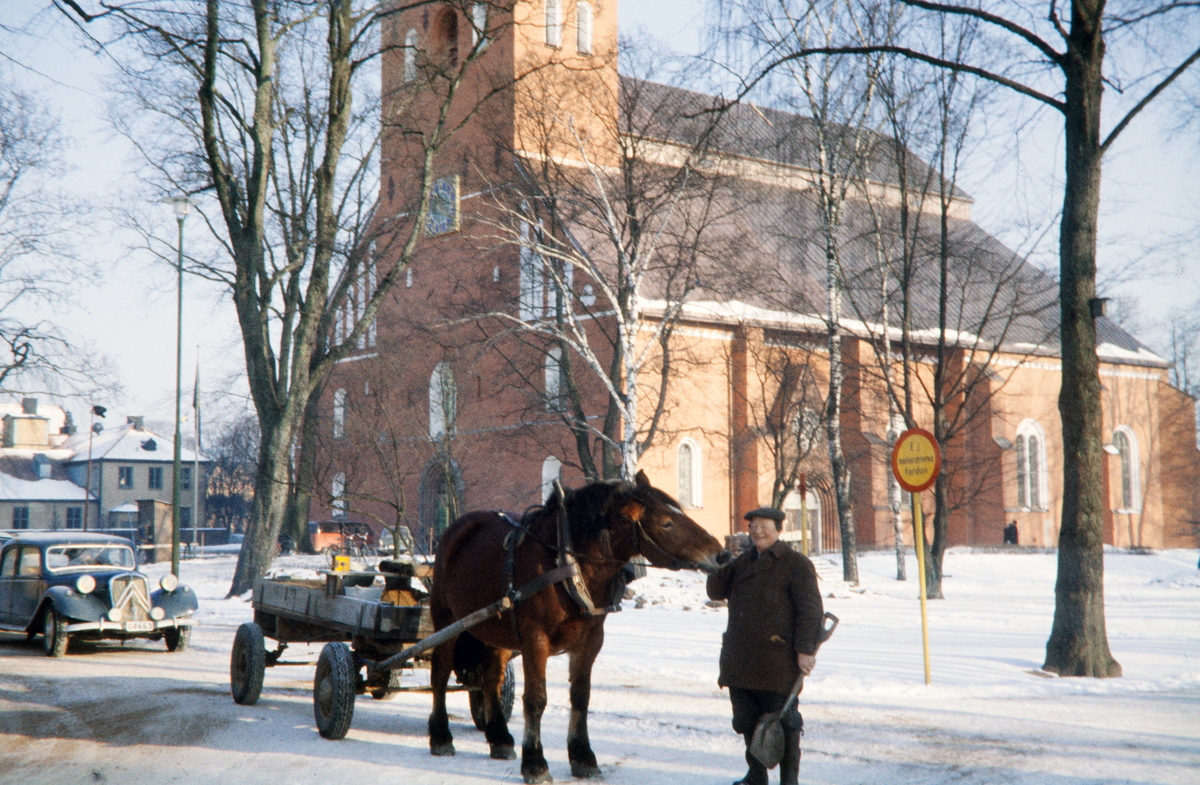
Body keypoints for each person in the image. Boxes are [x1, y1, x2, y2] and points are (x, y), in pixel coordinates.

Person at [707, 506, 825, 785]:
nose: (757, 531)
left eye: (764, 526)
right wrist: (718, 565)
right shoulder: (742, 561)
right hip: (741, 658)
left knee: (783, 722)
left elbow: (810, 611)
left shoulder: (795, 564)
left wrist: (805, 650)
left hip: (777, 660)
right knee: (747, 720)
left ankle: (789, 780)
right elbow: (715, 591)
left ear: (778, 529)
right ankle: (756, 776)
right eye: (753, 526)